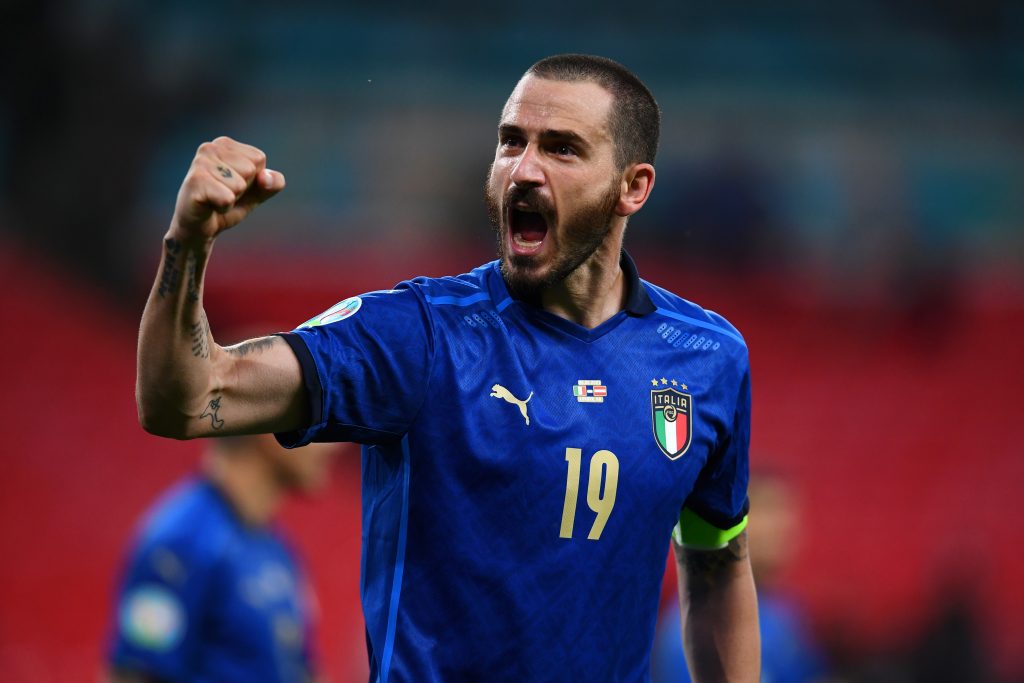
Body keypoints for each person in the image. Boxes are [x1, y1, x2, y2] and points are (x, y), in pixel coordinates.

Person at [136, 54, 759, 681]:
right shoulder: (419, 334)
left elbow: (716, 564)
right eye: (511, 142)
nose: (524, 170)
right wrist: (187, 245)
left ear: (633, 187)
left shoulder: (707, 360)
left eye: (562, 149)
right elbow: (186, 400)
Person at [105, 433, 336, 682]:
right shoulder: (182, 542)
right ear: (268, 432)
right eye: (314, 424)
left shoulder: (277, 550)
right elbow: (134, 673)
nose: (333, 447)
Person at [652, 471, 828, 683]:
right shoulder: (697, 620)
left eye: (786, 516)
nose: (781, 528)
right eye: (768, 513)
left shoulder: (788, 612)